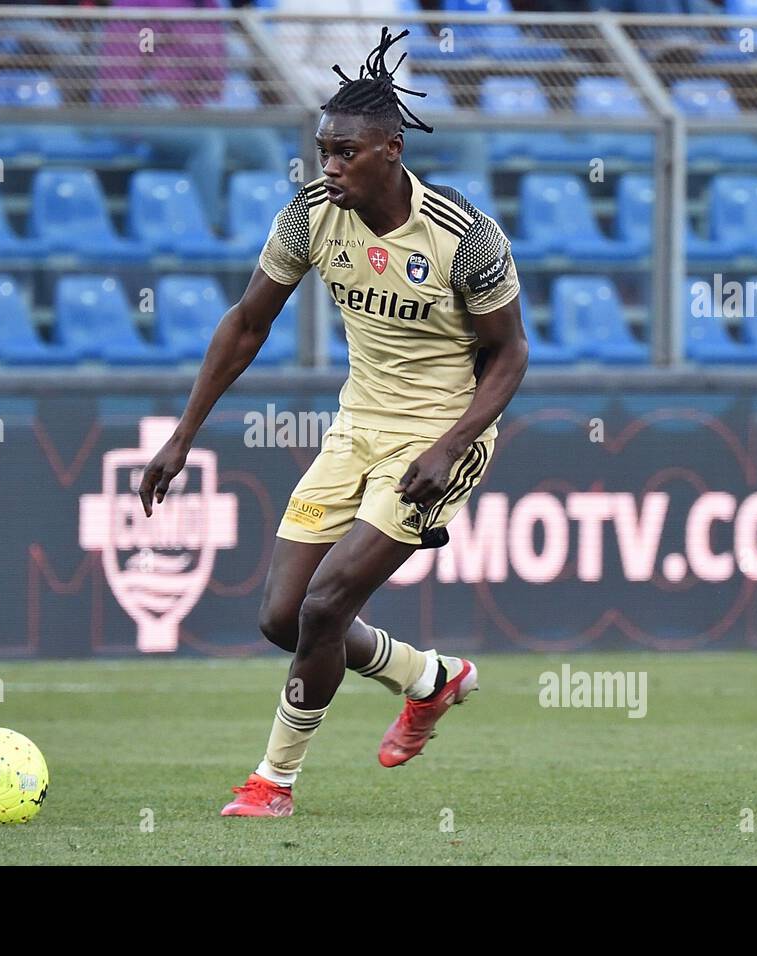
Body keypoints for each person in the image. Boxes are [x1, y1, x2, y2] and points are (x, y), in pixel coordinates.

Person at [138, 28, 529, 817]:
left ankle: (273, 782)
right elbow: (247, 324)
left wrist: (452, 443)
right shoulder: (310, 216)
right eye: (323, 151)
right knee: (283, 617)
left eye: (345, 153)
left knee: (325, 606)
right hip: (356, 431)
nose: (329, 167)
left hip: (439, 441)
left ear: (391, 149)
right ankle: (429, 679)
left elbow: (510, 356)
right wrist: (182, 435)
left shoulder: (467, 237)